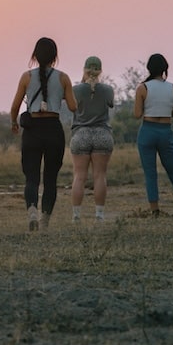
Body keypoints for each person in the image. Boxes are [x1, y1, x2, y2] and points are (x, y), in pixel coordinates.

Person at [10, 37, 77, 231]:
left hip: (32, 130)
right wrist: (62, 94)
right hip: (53, 130)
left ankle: (31, 209)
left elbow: (14, 106)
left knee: (31, 177)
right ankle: (45, 220)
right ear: (55, 57)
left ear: (35, 56)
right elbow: (73, 107)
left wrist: (14, 123)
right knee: (50, 179)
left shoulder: (26, 77)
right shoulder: (63, 77)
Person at [133, 53, 173, 220]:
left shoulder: (142, 88)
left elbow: (137, 114)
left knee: (150, 173)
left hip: (148, 130)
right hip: (166, 131)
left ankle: (155, 211)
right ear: (165, 69)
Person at [69, 56, 116, 223]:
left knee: (79, 176)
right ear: (100, 70)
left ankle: (76, 216)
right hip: (102, 134)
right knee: (100, 176)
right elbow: (110, 104)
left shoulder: (76, 90)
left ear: (85, 69)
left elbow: (72, 106)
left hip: (81, 134)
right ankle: (99, 216)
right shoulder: (108, 89)